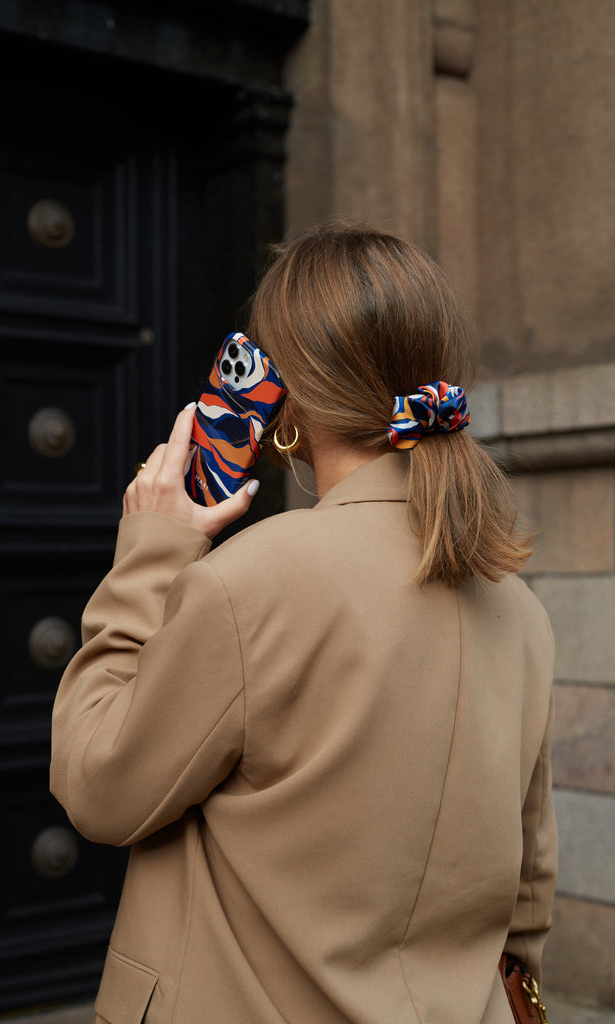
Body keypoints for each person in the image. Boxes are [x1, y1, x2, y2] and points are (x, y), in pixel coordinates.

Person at [50, 223, 557, 1024]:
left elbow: (102, 790)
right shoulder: (519, 610)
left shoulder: (249, 581)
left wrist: (149, 553)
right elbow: (526, 888)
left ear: (283, 402)